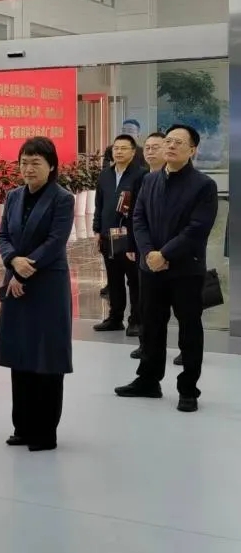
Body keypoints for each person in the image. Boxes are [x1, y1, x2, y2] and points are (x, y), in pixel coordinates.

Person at [115, 124, 218, 413]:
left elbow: (197, 228)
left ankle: (188, 389)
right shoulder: (150, 181)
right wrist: (149, 253)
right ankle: (148, 381)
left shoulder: (204, 185)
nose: (170, 146)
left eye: (178, 143)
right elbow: (138, 219)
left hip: (186, 269)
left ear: (192, 150)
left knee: (189, 329)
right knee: (151, 326)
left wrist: (165, 254)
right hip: (151, 268)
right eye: (168, 141)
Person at [0, 137, 75, 451]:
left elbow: (56, 241)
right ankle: (23, 427)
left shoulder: (62, 198)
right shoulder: (13, 196)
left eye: (35, 163)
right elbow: (2, 235)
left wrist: (23, 269)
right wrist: (12, 262)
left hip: (47, 285)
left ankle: (45, 432)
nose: (28, 169)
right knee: (21, 355)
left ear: (51, 165)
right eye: (24, 162)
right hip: (16, 283)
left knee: (47, 358)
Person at [92, 134, 147, 336]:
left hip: (130, 236)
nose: (119, 152)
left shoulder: (141, 175)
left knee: (134, 280)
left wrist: (137, 238)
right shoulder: (105, 175)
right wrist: (97, 229)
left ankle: (136, 320)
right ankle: (115, 318)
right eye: (116, 148)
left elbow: (141, 209)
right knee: (113, 279)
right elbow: (99, 203)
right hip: (109, 235)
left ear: (133, 152)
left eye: (124, 148)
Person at [130, 131, 167, 360]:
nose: (151, 151)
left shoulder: (186, 181)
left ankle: (186, 351)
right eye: (148, 148)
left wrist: (165, 252)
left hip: (173, 255)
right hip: (147, 252)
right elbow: (136, 217)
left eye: (156, 147)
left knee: (184, 310)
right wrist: (144, 250)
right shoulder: (143, 179)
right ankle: (146, 347)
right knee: (147, 305)